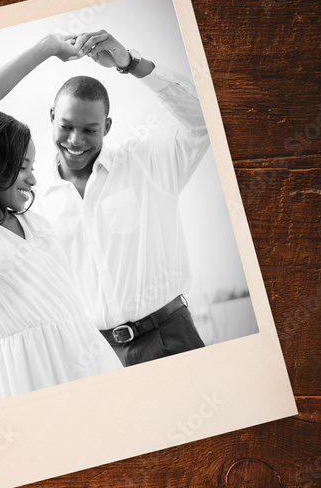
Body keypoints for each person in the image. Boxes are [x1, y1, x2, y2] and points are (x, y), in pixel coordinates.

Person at [0, 33, 122, 403]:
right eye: (22, 166)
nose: (32, 177)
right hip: (29, 380)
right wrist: (47, 47)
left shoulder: (35, 223)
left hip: (91, 362)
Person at [39, 29, 210, 366]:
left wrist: (130, 63)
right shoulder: (35, 200)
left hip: (170, 339)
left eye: (90, 129)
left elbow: (205, 120)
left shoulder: (148, 163)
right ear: (51, 119)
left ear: (107, 126)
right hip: (96, 358)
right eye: (66, 126)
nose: (75, 141)